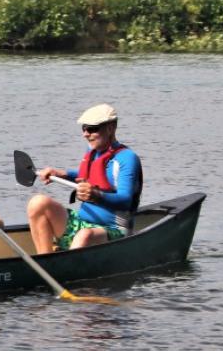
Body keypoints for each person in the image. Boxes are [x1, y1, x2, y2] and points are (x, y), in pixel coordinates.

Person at [26, 103, 143, 254]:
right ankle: (45, 261)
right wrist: (63, 174)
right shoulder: (93, 150)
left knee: (84, 235)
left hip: (113, 231)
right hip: (82, 223)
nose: (86, 134)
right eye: (84, 128)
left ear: (110, 128)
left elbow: (126, 200)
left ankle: (65, 266)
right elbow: (89, 176)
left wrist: (96, 195)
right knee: (37, 203)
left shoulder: (127, 158)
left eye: (92, 129)